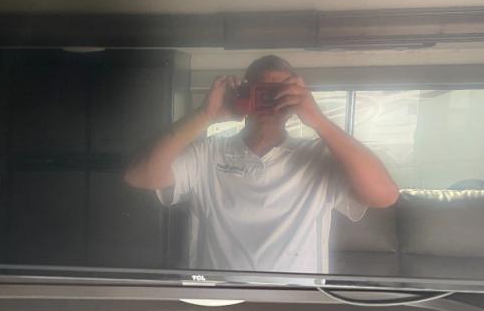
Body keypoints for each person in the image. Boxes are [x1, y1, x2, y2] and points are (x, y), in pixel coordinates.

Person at [124, 55, 399, 274]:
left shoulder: (319, 157)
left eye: (279, 92)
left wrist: (318, 120)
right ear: (244, 93)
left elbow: (384, 195)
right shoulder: (207, 153)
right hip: (218, 296)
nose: (269, 100)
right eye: (260, 91)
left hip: (297, 302)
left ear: (295, 99)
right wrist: (205, 115)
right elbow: (139, 176)